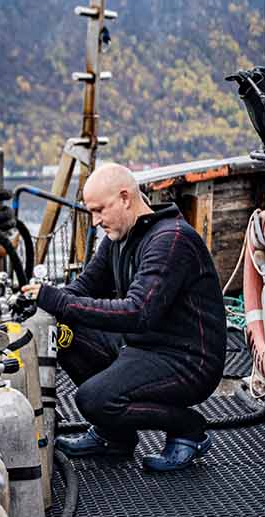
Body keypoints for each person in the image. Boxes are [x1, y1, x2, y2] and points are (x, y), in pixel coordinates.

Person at [20, 162, 227, 472]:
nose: (94, 221)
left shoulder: (170, 240)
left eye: (100, 210)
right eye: (91, 212)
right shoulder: (118, 239)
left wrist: (58, 300)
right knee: (64, 328)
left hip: (188, 360)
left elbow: (138, 312)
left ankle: (188, 428)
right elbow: (84, 288)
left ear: (126, 198)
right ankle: (114, 436)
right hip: (142, 347)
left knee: (94, 400)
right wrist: (40, 302)